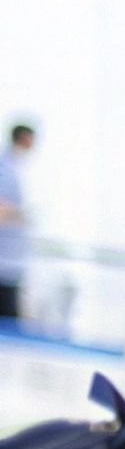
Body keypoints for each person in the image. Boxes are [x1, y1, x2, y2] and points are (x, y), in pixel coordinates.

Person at [0, 123, 35, 318]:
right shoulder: (5, 169)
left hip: (11, 264)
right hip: (4, 264)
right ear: (23, 138)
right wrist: (21, 216)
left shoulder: (15, 167)